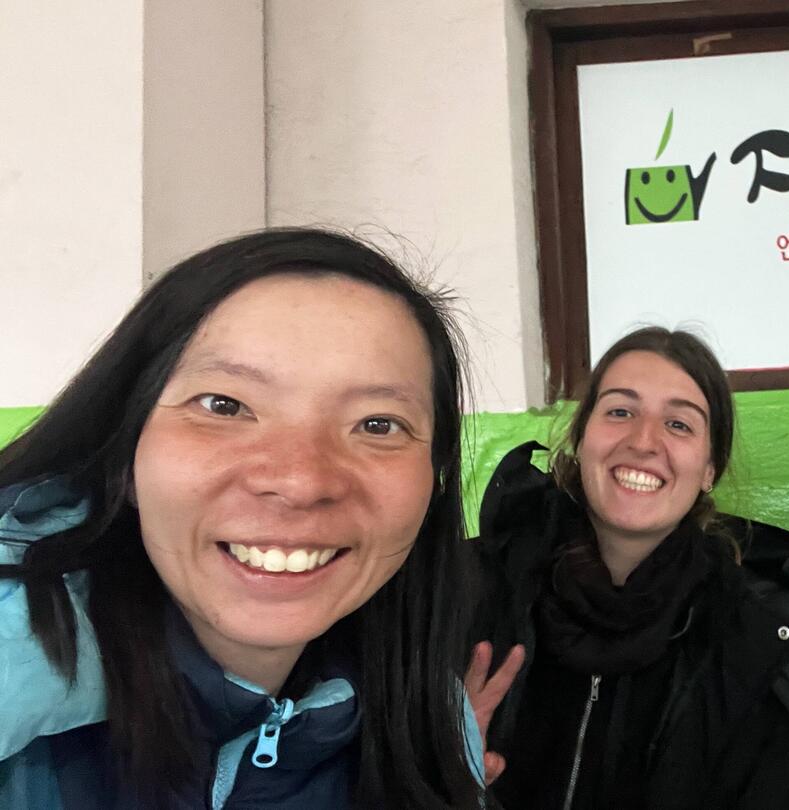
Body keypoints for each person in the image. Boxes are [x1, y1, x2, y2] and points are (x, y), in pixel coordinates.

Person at [0, 229, 489, 807]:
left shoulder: (430, 724)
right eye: (225, 406)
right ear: (124, 458)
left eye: (378, 424)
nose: (301, 482)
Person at [465, 327, 789, 810]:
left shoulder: (755, 638)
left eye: (679, 424)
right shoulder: (469, 591)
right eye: (620, 412)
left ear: (709, 469)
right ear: (581, 438)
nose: (644, 441)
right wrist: (441, 781)